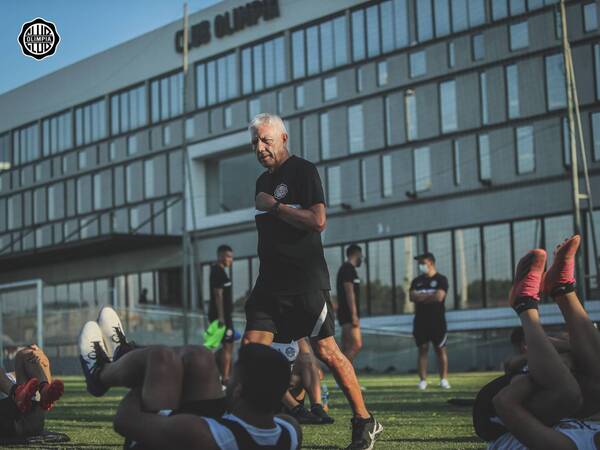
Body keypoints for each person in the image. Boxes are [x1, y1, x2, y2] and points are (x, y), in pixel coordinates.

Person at [244, 113, 382, 449]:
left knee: (328, 352)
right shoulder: (262, 182)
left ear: (283, 138)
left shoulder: (303, 171)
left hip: (304, 283)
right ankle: (286, 412)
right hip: (269, 286)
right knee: (250, 352)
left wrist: (275, 206)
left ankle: (364, 420)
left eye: (266, 140)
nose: (260, 148)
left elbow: (318, 221)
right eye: (255, 143)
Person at [79, 306, 302, 450]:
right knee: (200, 355)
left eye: (232, 376)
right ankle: (124, 355)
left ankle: (102, 374)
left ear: (238, 390)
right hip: (210, 429)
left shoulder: (200, 434)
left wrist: (145, 377)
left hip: (153, 440)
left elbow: (125, 421)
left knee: (161, 358)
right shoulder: (289, 431)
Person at [478, 235, 600, 449]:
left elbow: (504, 402)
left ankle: (524, 305)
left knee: (568, 394)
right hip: (553, 407)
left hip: (496, 416)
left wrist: (528, 373)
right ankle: (562, 289)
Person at [0, 345, 64, 440]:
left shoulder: (10, 376)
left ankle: (44, 388)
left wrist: (44, 364)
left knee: (25, 354)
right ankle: (16, 393)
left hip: (30, 417)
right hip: (7, 420)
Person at [409, 252, 451, 390]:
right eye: (419, 264)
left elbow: (439, 297)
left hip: (437, 321)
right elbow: (412, 297)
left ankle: (443, 379)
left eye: (423, 263)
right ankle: (422, 380)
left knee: (440, 349)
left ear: (431, 263)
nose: (421, 266)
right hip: (420, 321)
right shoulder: (417, 281)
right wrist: (430, 295)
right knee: (422, 349)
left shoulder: (441, 279)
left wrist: (422, 296)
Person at [272, 336, 334, 425]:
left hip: (289, 388)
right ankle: (297, 409)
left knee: (306, 359)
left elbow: (318, 373)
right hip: (271, 394)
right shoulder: (263, 333)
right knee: (268, 368)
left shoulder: (296, 335)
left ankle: (317, 407)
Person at [209, 245, 235, 385]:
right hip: (220, 317)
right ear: (220, 256)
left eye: (231, 257)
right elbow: (218, 294)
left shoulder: (222, 272)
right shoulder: (217, 271)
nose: (231, 259)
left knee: (228, 345)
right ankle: (223, 378)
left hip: (225, 316)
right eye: (228, 256)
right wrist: (221, 317)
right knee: (214, 345)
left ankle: (224, 377)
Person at [336, 244, 364, 363]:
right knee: (356, 344)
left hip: (345, 313)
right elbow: (349, 292)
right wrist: (354, 315)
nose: (361, 258)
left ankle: (343, 380)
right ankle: (341, 374)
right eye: (361, 256)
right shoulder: (348, 269)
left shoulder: (346, 269)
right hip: (348, 314)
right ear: (356, 254)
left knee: (346, 347)